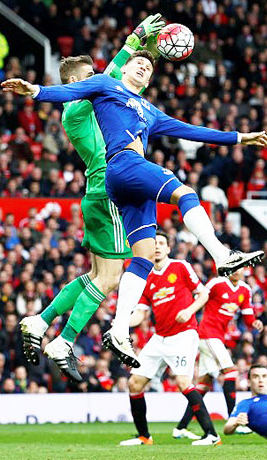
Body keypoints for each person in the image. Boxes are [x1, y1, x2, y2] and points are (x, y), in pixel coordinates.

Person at [2, 49, 267, 368]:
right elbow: (68, 92)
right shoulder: (105, 85)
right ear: (124, 69)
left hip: (124, 184)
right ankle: (221, 254)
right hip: (124, 165)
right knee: (185, 193)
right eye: (137, 63)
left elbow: (189, 130)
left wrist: (238, 138)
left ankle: (118, 330)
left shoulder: (149, 110)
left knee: (141, 257)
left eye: (148, 67)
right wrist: (34, 90)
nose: (143, 68)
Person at [18, 14, 165, 382]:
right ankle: (64, 341)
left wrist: (146, 55)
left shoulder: (94, 105)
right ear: (72, 82)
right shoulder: (75, 106)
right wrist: (131, 41)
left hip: (95, 191)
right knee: (111, 278)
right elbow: (114, 78)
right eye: (89, 78)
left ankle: (40, 321)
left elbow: (125, 88)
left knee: (98, 275)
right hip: (109, 190)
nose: (97, 82)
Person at [119, 231, 221, 446]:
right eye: (153, 243)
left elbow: (203, 294)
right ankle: (144, 437)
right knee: (134, 383)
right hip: (160, 337)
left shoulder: (180, 267)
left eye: (161, 243)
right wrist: (122, 322)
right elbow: (141, 313)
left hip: (183, 334)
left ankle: (212, 435)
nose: (156, 246)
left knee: (183, 382)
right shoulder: (146, 277)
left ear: (167, 248)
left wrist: (189, 310)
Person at [175, 267, 263, 438]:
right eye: (234, 268)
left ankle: (181, 427)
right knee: (231, 372)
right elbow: (200, 297)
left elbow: (248, 316)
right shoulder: (217, 283)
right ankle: (235, 421)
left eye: (240, 268)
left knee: (203, 384)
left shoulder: (245, 290)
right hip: (207, 334)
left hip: (217, 338)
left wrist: (255, 323)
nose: (237, 271)